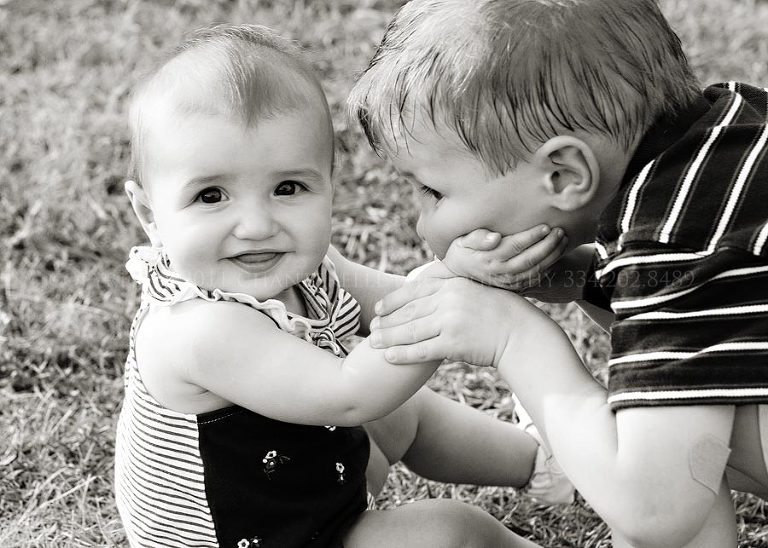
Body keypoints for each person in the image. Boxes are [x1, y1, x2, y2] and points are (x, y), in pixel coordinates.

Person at [114, 22, 573, 548]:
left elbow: (395, 301)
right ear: (149, 214)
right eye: (211, 196)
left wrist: (459, 274)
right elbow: (353, 394)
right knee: (450, 531)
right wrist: (459, 296)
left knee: (407, 413)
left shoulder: (303, 267)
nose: (258, 224)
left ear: (331, 187)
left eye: (288, 188)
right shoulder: (199, 330)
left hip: (304, 485)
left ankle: (546, 467)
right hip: (262, 536)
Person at [349, 0, 768, 546]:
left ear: (565, 174)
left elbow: (655, 507)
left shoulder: (677, 240)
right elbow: (724, 318)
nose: (421, 217)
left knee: (641, 436)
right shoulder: (734, 135)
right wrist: (584, 279)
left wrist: (515, 338)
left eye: (432, 191)